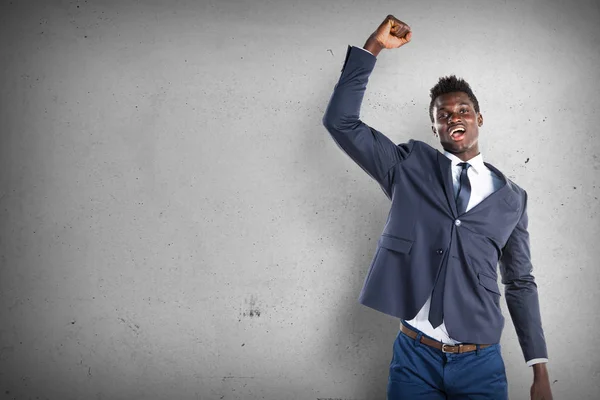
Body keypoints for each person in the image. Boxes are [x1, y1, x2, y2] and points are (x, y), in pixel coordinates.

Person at [322, 15, 553, 400]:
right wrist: (374, 45)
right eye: (442, 115)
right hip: (414, 358)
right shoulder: (407, 166)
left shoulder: (513, 197)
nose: (453, 118)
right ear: (435, 129)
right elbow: (341, 122)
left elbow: (520, 282)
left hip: (481, 363)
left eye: (462, 110)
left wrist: (539, 369)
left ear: (478, 118)